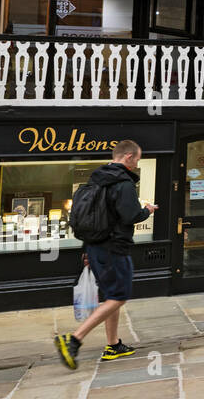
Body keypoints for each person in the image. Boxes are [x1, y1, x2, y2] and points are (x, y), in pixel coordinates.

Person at [54, 141, 156, 368]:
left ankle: (113, 344)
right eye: (137, 159)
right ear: (128, 156)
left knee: (111, 296)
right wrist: (147, 210)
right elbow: (131, 216)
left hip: (95, 246)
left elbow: (93, 216)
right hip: (114, 248)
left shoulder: (97, 178)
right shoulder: (123, 183)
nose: (136, 163)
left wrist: (87, 250)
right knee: (118, 297)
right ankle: (74, 340)